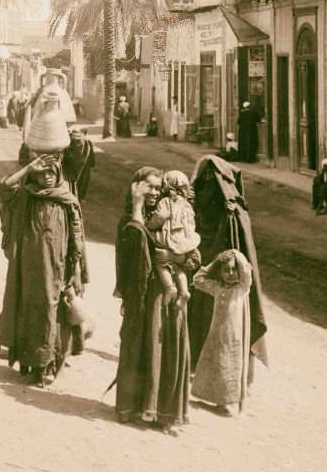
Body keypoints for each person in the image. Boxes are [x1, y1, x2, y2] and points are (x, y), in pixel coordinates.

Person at [0, 152, 85, 387]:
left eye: (51, 172)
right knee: (28, 309)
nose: (46, 177)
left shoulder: (66, 200)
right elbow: (4, 188)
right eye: (42, 172)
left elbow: (77, 240)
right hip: (28, 267)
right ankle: (28, 364)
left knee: (50, 312)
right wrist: (27, 169)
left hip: (57, 268)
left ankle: (46, 365)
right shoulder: (27, 195)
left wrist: (75, 269)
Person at [114, 166, 191, 434]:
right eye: (149, 186)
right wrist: (136, 206)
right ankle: (133, 408)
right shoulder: (129, 220)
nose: (154, 193)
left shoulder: (169, 216)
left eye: (158, 188)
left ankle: (164, 414)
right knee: (140, 346)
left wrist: (174, 258)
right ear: (136, 186)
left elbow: (191, 253)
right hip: (142, 295)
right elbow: (135, 248)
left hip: (166, 293)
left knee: (167, 349)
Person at [187, 155, 268, 380]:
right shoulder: (194, 198)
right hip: (200, 263)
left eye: (212, 181)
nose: (207, 184)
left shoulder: (234, 210)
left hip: (223, 273)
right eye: (203, 179)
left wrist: (232, 215)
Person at [191, 249, 253, 415]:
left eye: (234, 269)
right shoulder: (217, 288)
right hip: (216, 333)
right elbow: (197, 280)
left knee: (229, 367)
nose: (230, 273)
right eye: (226, 270)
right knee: (216, 364)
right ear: (220, 272)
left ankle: (226, 402)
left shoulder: (242, 288)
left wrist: (234, 254)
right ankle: (216, 400)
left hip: (233, 337)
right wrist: (215, 263)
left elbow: (247, 271)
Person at [145, 170, 201, 309]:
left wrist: (149, 225)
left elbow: (158, 219)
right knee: (178, 267)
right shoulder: (187, 206)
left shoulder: (165, 202)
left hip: (169, 242)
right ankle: (184, 292)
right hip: (183, 246)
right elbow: (191, 225)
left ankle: (170, 287)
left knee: (160, 262)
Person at [62, 126, 96, 201]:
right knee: (83, 180)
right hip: (85, 164)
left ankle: (74, 195)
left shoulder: (70, 140)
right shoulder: (87, 142)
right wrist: (92, 163)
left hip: (74, 163)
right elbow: (91, 154)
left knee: (74, 179)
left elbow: (66, 154)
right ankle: (80, 196)